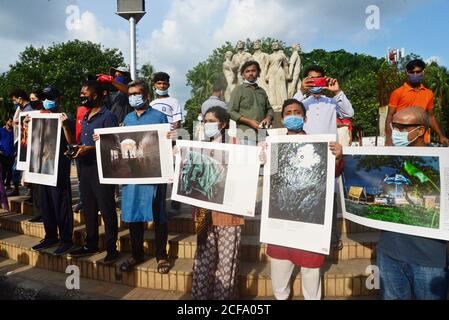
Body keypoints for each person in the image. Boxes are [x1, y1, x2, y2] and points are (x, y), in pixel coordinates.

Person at [259, 99, 343, 300]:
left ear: (304, 118)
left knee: (310, 269)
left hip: (310, 222)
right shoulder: (273, 146)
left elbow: (334, 173)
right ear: (282, 118)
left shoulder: (320, 145)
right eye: (288, 113)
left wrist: (338, 157)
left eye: (297, 112)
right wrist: (261, 158)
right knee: (279, 271)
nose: (293, 116)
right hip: (281, 221)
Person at [94, 79, 171, 274]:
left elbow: (167, 144)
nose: (134, 97)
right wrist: (101, 140)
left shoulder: (159, 117)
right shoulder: (127, 119)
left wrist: (172, 137)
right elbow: (120, 144)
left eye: (137, 93)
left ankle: (161, 255)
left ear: (147, 95)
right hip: (132, 175)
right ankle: (137, 254)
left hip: (154, 176)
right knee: (134, 214)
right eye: (131, 94)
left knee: (159, 215)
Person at [377, 106, 449, 300]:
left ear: (421, 131)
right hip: (389, 253)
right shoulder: (388, 158)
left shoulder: (442, 162)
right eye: (395, 126)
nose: (396, 132)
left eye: (402, 127)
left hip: (428, 259)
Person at [293, 65, 354, 250]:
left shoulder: (331, 101)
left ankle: (332, 238)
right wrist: (301, 91)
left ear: (325, 80)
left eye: (319, 79)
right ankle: (305, 235)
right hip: (306, 155)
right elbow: (290, 109)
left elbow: (349, 113)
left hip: (329, 155)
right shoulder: (302, 102)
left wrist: (338, 92)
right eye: (310, 79)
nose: (315, 83)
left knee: (330, 198)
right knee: (305, 195)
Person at [190, 106, 245, 300]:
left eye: (211, 121)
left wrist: (260, 157)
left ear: (222, 124)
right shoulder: (198, 146)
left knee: (226, 263)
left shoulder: (237, 144)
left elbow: (248, 169)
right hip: (204, 213)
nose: (206, 125)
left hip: (229, 214)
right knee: (203, 260)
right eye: (204, 121)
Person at [68, 79, 120, 265]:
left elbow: (114, 145)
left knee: (106, 210)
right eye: (81, 94)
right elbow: (84, 142)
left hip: (102, 170)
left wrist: (90, 148)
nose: (82, 97)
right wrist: (78, 149)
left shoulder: (108, 116)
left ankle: (112, 249)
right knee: (89, 209)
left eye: (85, 94)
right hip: (86, 169)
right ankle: (91, 244)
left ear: (96, 95)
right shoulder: (86, 115)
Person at [30, 86, 75, 255]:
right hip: (42, 168)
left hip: (59, 168)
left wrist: (64, 126)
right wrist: (29, 125)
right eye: (44, 98)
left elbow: (71, 143)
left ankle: (66, 240)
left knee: (61, 204)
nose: (47, 101)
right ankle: (50, 236)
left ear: (59, 99)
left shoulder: (65, 117)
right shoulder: (39, 117)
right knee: (46, 204)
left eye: (50, 97)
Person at [385, 59, 449, 146]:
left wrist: (440, 136)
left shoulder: (428, 93)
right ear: (406, 72)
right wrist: (388, 139)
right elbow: (390, 116)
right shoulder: (397, 92)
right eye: (412, 72)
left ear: (423, 72)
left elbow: (430, 117)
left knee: (420, 160)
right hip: (403, 140)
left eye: (418, 71)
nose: (415, 74)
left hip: (421, 139)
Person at [150, 72, 183, 215]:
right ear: (154, 85)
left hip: (170, 141)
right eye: (159, 83)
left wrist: (171, 137)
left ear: (168, 85)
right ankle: (159, 205)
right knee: (158, 173)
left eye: (164, 83)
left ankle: (176, 206)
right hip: (154, 143)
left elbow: (177, 122)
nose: (162, 86)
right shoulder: (151, 104)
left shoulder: (174, 101)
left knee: (175, 173)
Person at [228, 60, 274, 145]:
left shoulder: (262, 91)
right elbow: (231, 111)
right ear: (243, 75)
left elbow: (269, 109)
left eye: (253, 71)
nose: (250, 73)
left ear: (258, 72)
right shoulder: (238, 90)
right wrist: (249, 122)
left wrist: (268, 118)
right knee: (248, 157)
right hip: (245, 134)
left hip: (262, 134)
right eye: (247, 71)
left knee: (264, 157)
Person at [8, 89, 35, 197]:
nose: (14, 102)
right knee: (17, 167)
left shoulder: (30, 108)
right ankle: (17, 189)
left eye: (14, 100)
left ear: (20, 98)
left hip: (26, 142)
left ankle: (31, 192)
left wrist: (21, 122)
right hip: (20, 140)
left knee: (24, 167)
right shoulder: (21, 108)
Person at [0, 118, 14, 190]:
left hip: (12, 155)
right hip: (2, 155)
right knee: (3, 171)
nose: (12, 123)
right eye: (10, 121)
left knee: (10, 171)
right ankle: (1, 186)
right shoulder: (1, 130)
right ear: (6, 121)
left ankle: (8, 185)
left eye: (12, 121)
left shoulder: (15, 131)